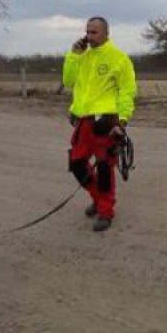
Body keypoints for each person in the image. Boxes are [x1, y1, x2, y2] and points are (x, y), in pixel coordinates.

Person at [62, 17, 137, 232]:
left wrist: (122, 121)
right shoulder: (81, 56)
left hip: (106, 121)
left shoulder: (119, 58)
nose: (89, 36)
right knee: (77, 163)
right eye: (87, 31)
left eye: (94, 32)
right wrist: (73, 56)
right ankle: (97, 198)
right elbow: (68, 81)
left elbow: (127, 92)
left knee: (105, 168)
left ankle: (106, 211)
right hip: (83, 121)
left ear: (105, 33)